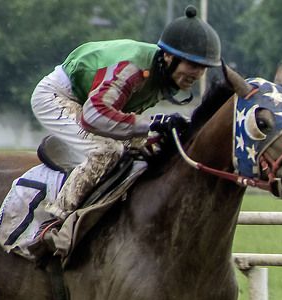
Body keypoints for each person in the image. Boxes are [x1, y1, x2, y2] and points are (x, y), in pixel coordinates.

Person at [29, 5, 221, 257]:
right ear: (169, 57)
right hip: (59, 96)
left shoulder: (163, 76)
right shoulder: (132, 69)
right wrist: (151, 123)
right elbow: (94, 115)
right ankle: (53, 223)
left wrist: (155, 130)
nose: (198, 73)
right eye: (193, 64)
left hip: (88, 103)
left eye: (203, 67)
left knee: (147, 147)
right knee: (106, 150)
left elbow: (126, 121)